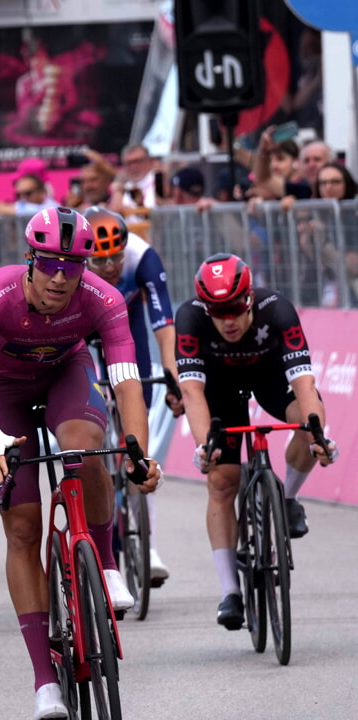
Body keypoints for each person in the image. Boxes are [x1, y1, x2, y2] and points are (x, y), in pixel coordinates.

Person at [0, 207, 160, 720]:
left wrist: (137, 450)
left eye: (74, 265)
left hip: (66, 371)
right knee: (22, 531)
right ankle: (45, 680)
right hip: (1, 393)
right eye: (50, 263)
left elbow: (127, 378)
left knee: (86, 445)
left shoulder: (102, 298)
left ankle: (107, 563)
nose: (61, 277)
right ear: (31, 259)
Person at [176, 254, 337, 631]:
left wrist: (320, 436)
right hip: (218, 389)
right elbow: (192, 393)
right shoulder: (190, 318)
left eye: (234, 308)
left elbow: (305, 385)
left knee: (309, 422)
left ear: (249, 298)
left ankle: (288, 499)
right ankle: (230, 591)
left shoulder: (277, 310)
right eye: (218, 311)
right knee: (222, 481)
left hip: (269, 376)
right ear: (204, 306)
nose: (227, 320)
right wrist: (205, 447)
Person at [83, 207, 179, 580]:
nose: (109, 266)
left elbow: (163, 322)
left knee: (139, 440)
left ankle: (148, 544)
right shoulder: (73, 263)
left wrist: (171, 373)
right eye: (100, 259)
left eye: (115, 257)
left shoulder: (142, 257)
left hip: (125, 326)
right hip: (83, 325)